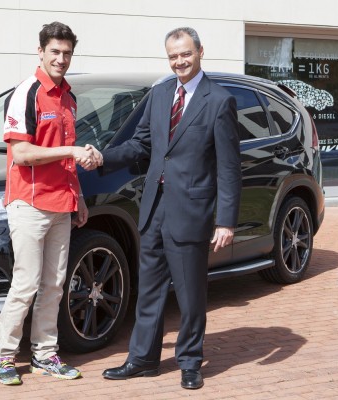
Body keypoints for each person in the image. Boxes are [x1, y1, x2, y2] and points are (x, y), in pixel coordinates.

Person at [97, 27, 242, 390]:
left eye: (185, 54)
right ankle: (142, 359)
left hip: (191, 212)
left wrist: (225, 220)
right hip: (153, 209)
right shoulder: (161, 94)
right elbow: (141, 143)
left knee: (191, 294)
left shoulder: (218, 100)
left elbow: (228, 167)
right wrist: (102, 157)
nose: (179, 62)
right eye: (173, 56)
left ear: (200, 52)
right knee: (149, 290)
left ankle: (190, 362)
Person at [0, 21, 97, 386]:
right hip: (29, 204)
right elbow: (20, 153)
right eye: (55, 51)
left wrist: (79, 198)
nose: (61, 59)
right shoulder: (27, 93)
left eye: (67, 53)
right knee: (26, 283)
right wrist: (71, 150)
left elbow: (67, 161)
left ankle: (44, 354)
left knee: (54, 284)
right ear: (41, 52)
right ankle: (4, 357)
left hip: (62, 204)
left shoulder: (69, 97)